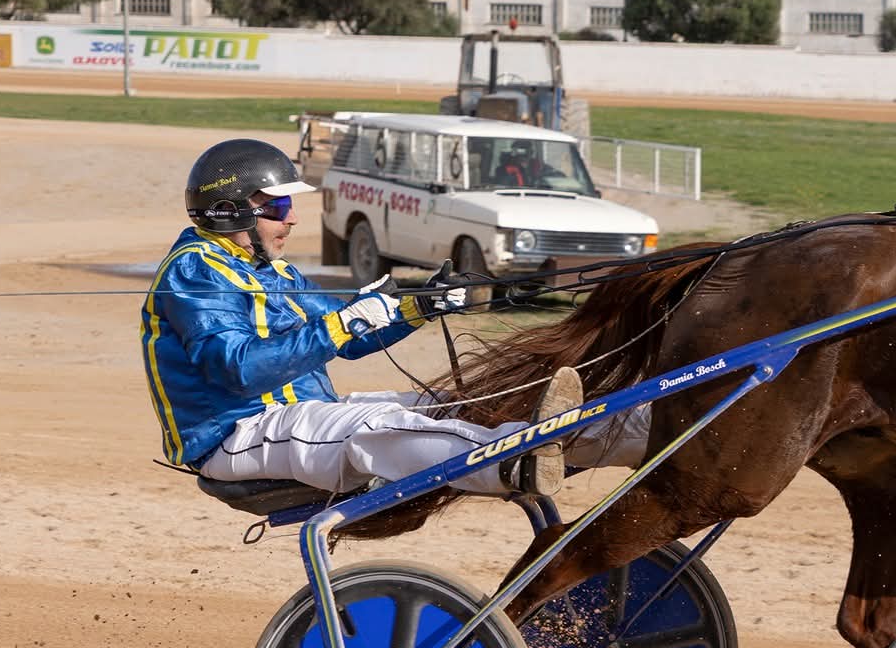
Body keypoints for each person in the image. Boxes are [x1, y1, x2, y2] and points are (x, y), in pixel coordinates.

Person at [142, 138, 581, 498]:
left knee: (439, 404)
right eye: (278, 208)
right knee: (380, 427)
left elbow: (347, 337)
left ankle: (590, 436)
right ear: (232, 210)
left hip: (300, 417)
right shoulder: (194, 268)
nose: (292, 218)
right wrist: (345, 322)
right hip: (237, 432)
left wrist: (418, 306)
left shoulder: (272, 269)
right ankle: (515, 460)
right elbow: (237, 369)